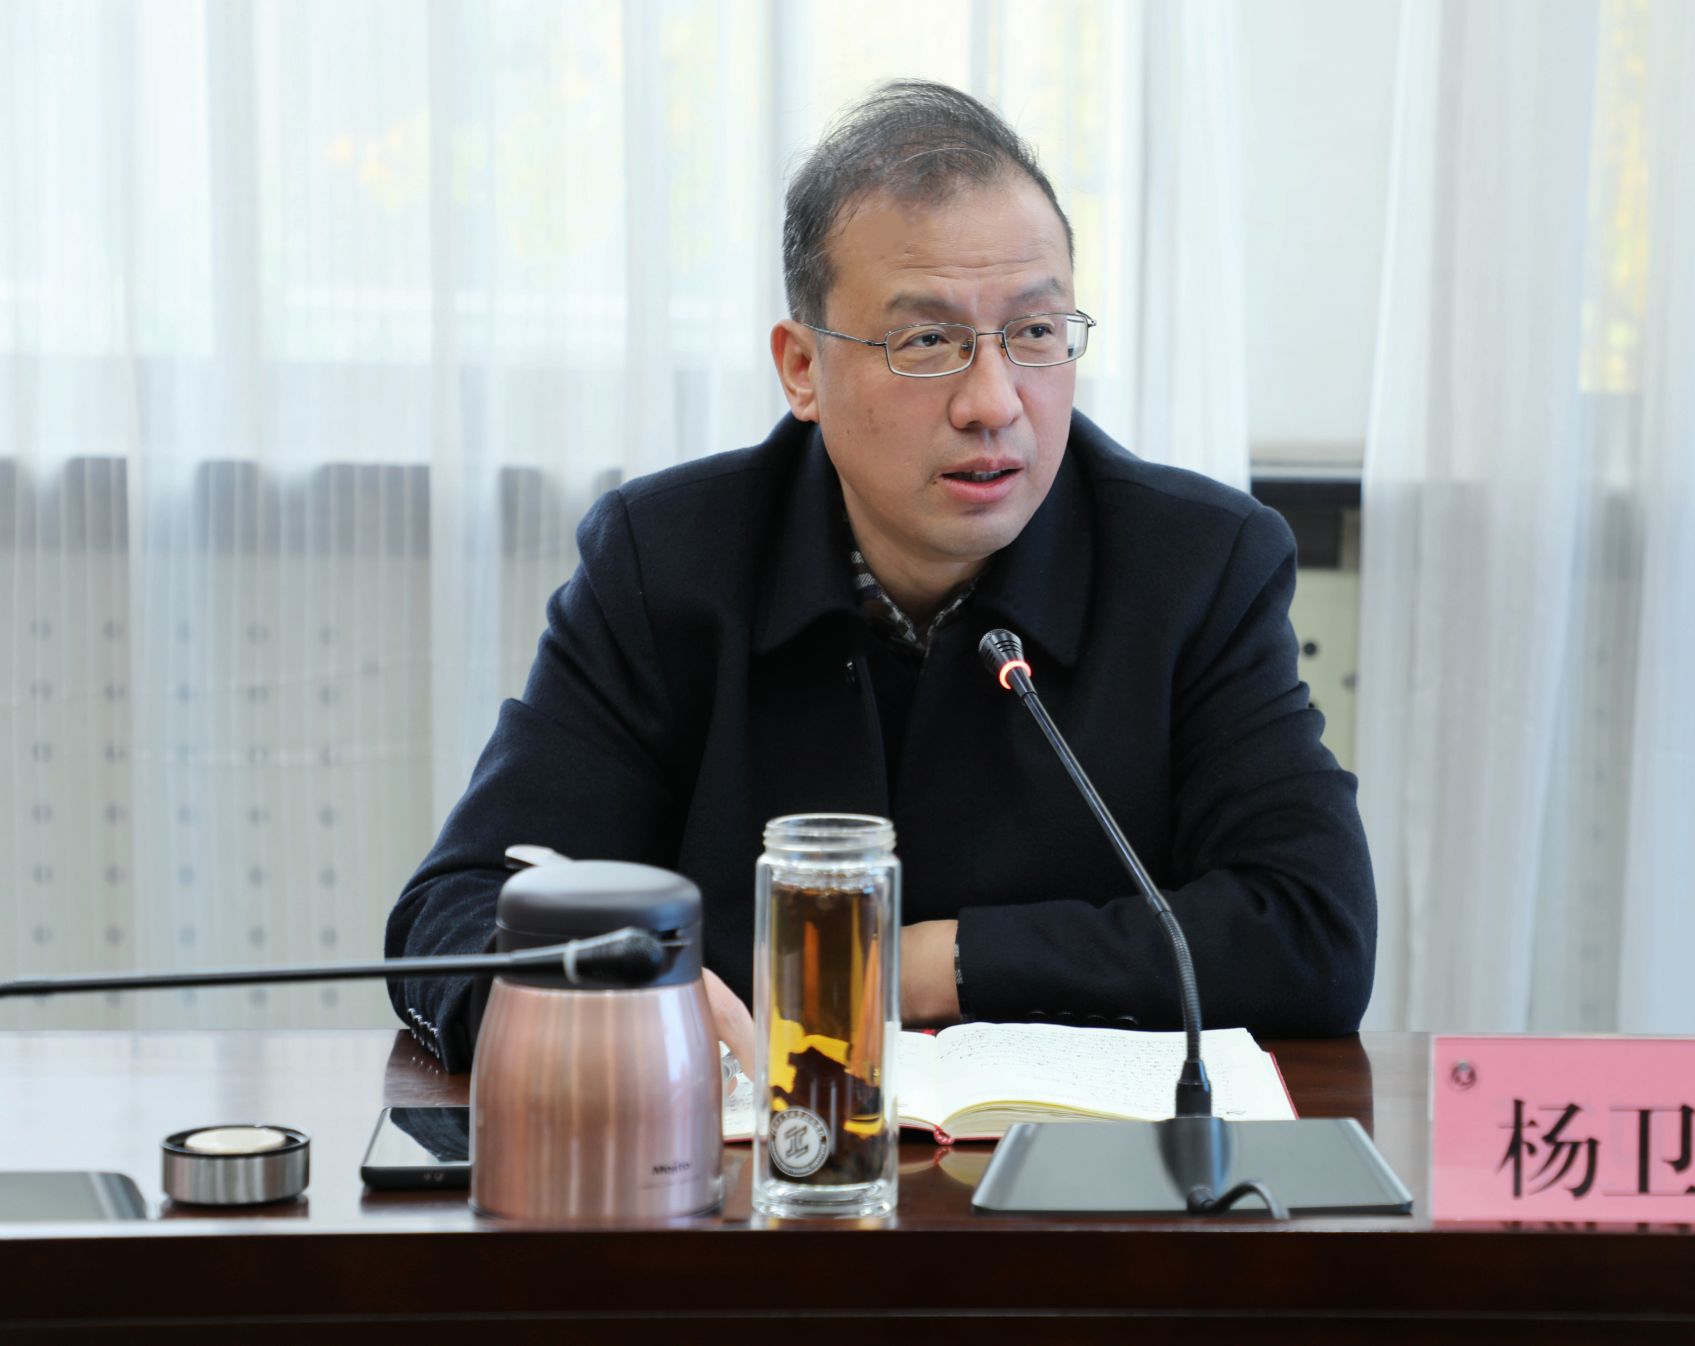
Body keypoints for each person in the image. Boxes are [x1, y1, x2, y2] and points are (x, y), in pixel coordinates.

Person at [386, 79, 1374, 1074]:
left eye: (1035, 333)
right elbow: (452, 913)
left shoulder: (1198, 568)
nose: (994, 403)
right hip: (746, 1158)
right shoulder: (666, 563)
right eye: (927, 341)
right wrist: (614, 1001)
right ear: (801, 369)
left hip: (1070, 1166)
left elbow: (1312, 929)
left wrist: (930, 963)